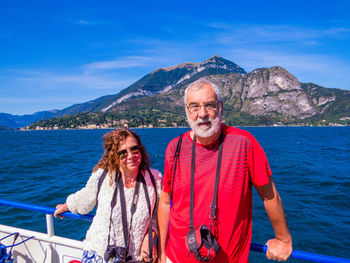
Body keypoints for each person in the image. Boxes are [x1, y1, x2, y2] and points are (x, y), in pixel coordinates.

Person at [158, 79, 292, 263]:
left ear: (220, 107)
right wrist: (161, 253)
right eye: (194, 106)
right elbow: (165, 202)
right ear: (187, 110)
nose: (202, 114)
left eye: (209, 105)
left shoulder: (243, 143)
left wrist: (283, 239)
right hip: (176, 257)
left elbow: (270, 196)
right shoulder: (175, 147)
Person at [54, 128, 162, 263]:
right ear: (114, 157)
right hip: (99, 254)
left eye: (134, 149)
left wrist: (149, 237)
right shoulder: (103, 176)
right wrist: (66, 206)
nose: (130, 156)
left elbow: (159, 216)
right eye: (122, 153)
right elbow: (85, 200)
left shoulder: (155, 179)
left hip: (134, 257)